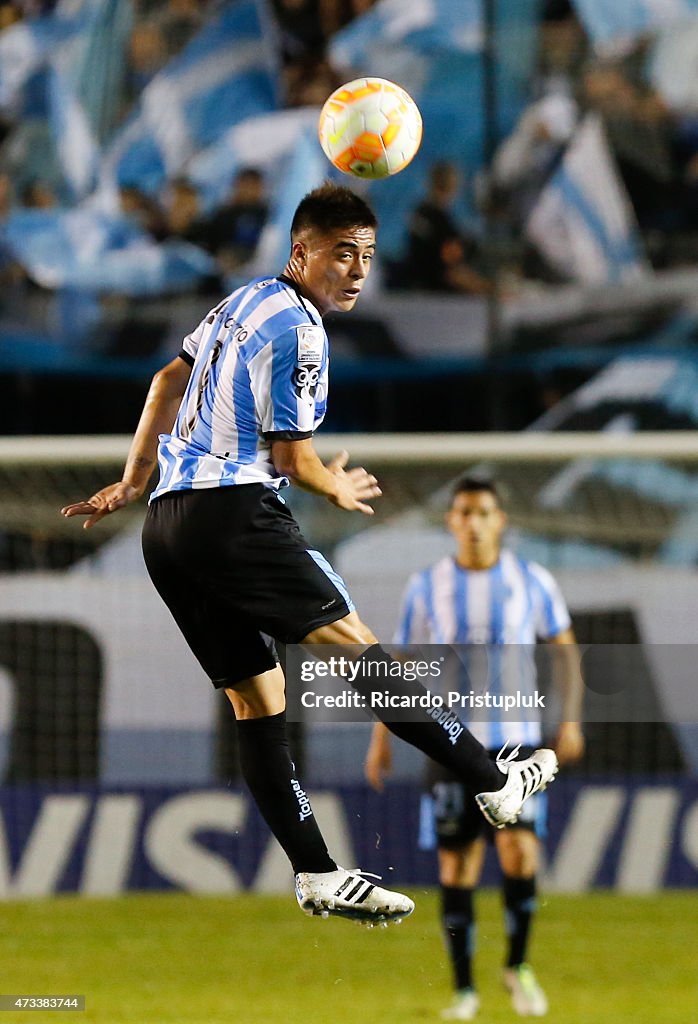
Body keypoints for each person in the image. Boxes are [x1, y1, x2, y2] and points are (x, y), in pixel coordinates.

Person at [61, 183, 558, 928]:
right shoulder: (302, 329)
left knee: (257, 700)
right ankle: (493, 782)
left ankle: (317, 873)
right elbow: (293, 459)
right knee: (359, 651)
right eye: (340, 255)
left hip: (168, 528)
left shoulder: (245, 299)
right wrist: (335, 485)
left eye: (366, 256)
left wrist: (136, 480)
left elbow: (169, 380)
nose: (356, 271)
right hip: (233, 515)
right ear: (302, 254)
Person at [365, 477, 584, 1018]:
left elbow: (565, 652)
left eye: (484, 511)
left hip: (517, 742)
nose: (474, 521)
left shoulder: (531, 580)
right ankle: (464, 990)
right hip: (450, 744)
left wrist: (571, 721)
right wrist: (381, 737)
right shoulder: (427, 585)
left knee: (521, 852)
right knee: (457, 867)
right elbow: (399, 665)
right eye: (464, 511)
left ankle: (518, 966)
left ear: (501, 520)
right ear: (451, 521)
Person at [405, 161, 492, 294]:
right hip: (437, 296)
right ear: (453, 186)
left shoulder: (420, 214)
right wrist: (488, 289)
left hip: (414, 289)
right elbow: (449, 272)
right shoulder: (439, 222)